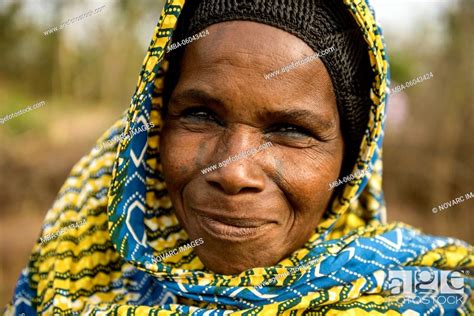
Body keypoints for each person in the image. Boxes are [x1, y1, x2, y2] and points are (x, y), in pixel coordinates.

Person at [5, 0, 473, 315]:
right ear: (154, 129)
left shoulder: (434, 289)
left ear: (352, 163)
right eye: (202, 115)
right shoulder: (71, 275)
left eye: (291, 130)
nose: (232, 171)